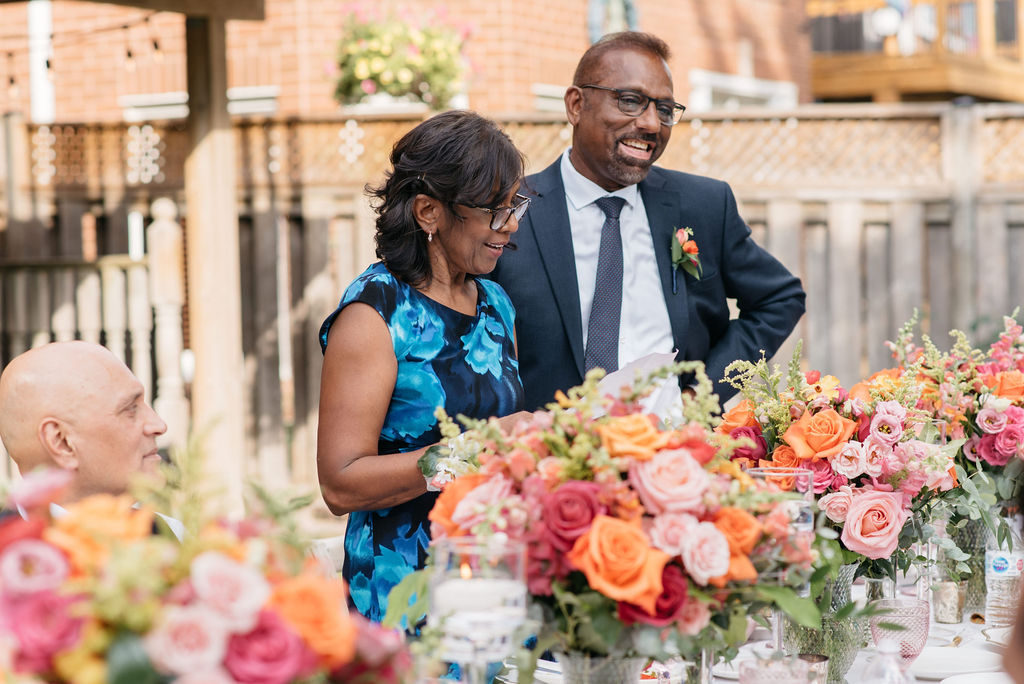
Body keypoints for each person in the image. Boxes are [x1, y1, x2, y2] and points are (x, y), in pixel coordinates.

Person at [491, 31, 806, 410]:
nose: (652, 124)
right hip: (548, 456)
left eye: (665, 109)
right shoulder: (508, 209)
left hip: (675, 454)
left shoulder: (703, 204)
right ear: (576, 105)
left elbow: (780, 298)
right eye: (631, 101)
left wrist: (701, 396)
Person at [317, 110, 529, 622]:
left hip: (494, 579)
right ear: (428, 211)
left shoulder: (496, 304)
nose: (512, 224)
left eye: (516, 204)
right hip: (406, 589)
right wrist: (477, 450)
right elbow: (340, 484)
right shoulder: (375, 313)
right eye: (494, 210)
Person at [0, 341, 182, 539]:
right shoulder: (9, 556)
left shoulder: (176, 539)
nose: (158, 425)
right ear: (62, 442)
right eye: (130, 409)